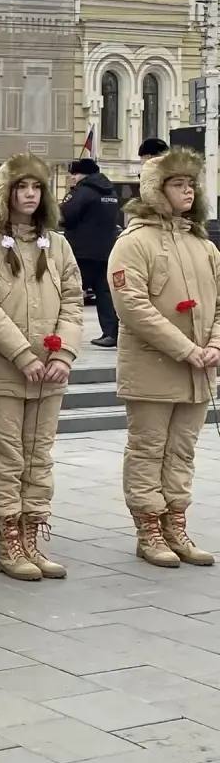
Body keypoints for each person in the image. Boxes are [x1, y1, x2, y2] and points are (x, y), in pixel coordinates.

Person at [0, 154, 82, 582]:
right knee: (8, 455)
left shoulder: (58, 243)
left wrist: (63, 352)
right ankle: (9, 541)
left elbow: (72, 301)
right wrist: (22, 354)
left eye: (36, 187)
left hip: (50, 372)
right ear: (6, 193)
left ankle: (33, 535)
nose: (30, 195)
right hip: (6, 370)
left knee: (39, 456)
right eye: (21, 188)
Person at [108, 147, 219, 569]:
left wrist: (215, 344)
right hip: (153, 369)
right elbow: (132, 306)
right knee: (148, 449)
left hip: (199, 371)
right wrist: (186, 348)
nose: (187, 191)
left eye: (191, 184)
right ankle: (149, 529)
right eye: (177, 184)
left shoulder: (202, 243)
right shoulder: (134, 243)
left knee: (182, 451)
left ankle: (176, 522)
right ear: (157, 190)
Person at [61, 157, 121, 348]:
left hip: (82, 251)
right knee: (105, 293)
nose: (71, 178)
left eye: (73, 174)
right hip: (107, 250)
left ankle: (66, 333)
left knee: (72, 293)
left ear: (79, 174)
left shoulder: (83, 191)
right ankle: (111, 334)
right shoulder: (110, 191)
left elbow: (66, 215)